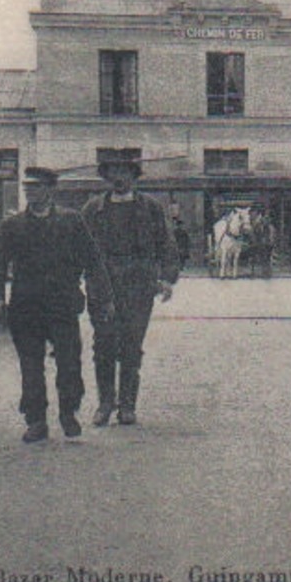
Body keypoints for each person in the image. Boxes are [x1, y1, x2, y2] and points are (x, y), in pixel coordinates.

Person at [0, 167, 113, 443]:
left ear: (50, 190)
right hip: (25, 306)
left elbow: (93, 261)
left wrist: (100, 297)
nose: (30, 192)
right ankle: (36, 420)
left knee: (68, 364)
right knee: (31, 366)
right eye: (27, 187)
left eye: (36, 187)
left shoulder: (71, 221)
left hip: (62, 305)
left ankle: (68, 413)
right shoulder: (12, 225)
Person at [81, 154, 178, 428]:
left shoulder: (150, 208)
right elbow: (79, 247)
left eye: (125, 171)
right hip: (102, 285)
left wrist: (167, 279)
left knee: (132, 346)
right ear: (107, 176)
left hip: (139, 285)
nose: (119, 177)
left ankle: (127, 405)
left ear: (134, 177)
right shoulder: (92, 209)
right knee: (103, 345)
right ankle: (105, 404)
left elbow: (166, 244)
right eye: (114, 171)